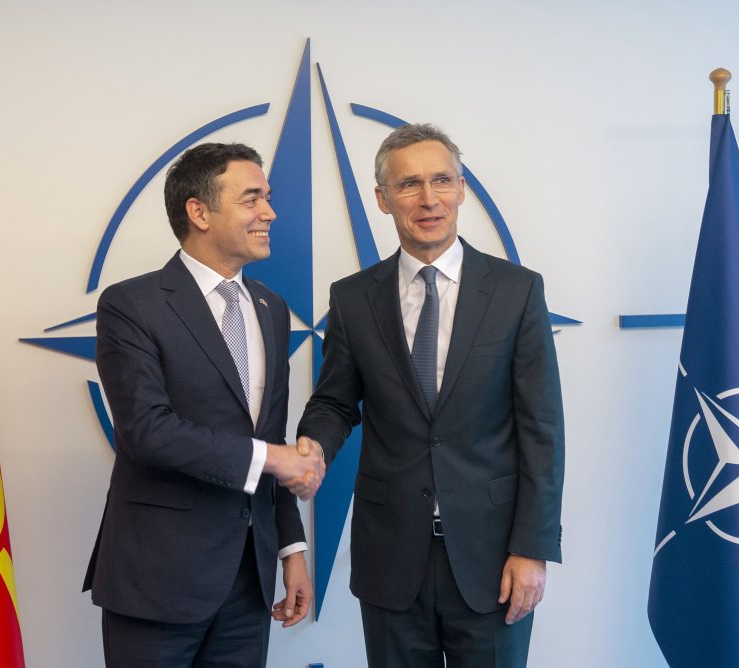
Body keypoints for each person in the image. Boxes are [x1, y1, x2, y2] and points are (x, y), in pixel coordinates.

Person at [292, 124, 565, 667]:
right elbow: (335, 402)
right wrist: (311, 445)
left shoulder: (517, 291)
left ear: (462, 189)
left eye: (441, 181)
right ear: (383, 199)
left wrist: (532, 549)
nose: (428, 199)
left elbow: (542, 428)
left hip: (492, 559)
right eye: (409, 184)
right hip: (391, 556)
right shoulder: (352, 298)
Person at [83, 142, 325, 667]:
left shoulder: (271, 308)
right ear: (199, 212)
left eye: (268, 197)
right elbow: (147, 431)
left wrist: (291, 550)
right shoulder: (131, 305)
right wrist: (274, 458)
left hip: (248, 583)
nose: (269, 212)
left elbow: (269, 436)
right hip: (157, 582)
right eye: (251, 199)